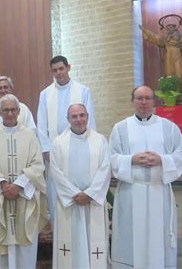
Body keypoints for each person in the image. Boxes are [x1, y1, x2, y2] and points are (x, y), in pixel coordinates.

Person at [109, 85, 182, 269]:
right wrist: (132, 159)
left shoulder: (169, 128)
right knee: (132, 239)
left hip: (159, 190)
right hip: (132, 191)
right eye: (139, 98)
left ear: (154, 101)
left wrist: (162, 160)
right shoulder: (121, 128)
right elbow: (111, 158)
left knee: (158, 240)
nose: (144, 103)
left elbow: (181, 153)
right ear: (132, 101)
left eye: (148, 98)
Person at [0, 94, 47, 269]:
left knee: (23, 248)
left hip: (23, 198)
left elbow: (37, 165)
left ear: (19, 111)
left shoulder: (30, 136)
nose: (9, 113)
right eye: (5, 110)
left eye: (13, 109)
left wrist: (18, 185)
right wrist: (2, 183)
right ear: (0, 112)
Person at [49, 104, 110, 269]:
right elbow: (55, 172)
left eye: (82, 115)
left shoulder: (100, 140)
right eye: (74, 116)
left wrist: (90, 194)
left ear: (87, 116)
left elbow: (106, 169)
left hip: (92, 202)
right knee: (70, 247)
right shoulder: (58, 143)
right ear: (68, 120)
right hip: (70, 203)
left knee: (94, 246)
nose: (78, 120)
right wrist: (74, 194)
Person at [37, 55, 96, 220]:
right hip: (55, 152)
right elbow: (41, 125)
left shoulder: (83, 91)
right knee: (58, 196)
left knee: (80, 189)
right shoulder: (45, 94)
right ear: (52, 72)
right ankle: (59, 234)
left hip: (80, 148)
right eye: (55, 70)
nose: (59, 73)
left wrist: (91, 144)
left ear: (68, 67)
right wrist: (46, 149)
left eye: (61, 69)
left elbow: (89, 120)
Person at [0, 75, 36, 143]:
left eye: (6, 87)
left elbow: (32, 130)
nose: (3, 90)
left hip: (21, 148)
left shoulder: (23, 109)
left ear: (11, 89)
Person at [140, 15, 182, 90]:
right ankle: (171, 93)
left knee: (179, 73)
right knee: (169, 73)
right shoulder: (165, 37)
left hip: (178, 56)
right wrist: (146, 31)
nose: (169, 28)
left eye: (171, 26)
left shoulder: (181, 37)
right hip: (169, 57)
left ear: (174, 27)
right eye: (168, 27)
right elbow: (156, 39)